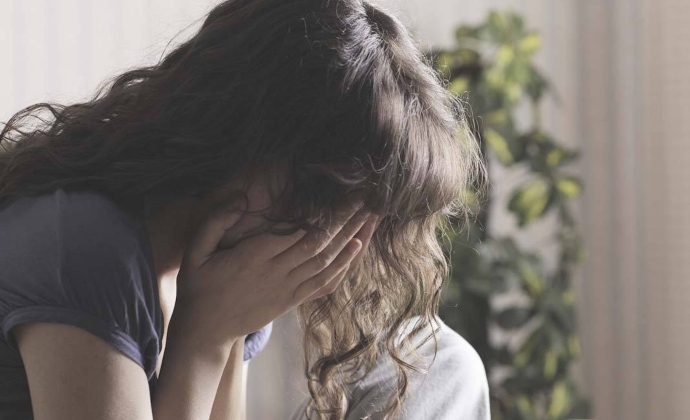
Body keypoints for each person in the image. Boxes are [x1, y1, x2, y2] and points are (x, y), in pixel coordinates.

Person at [0, 0, 489, 419]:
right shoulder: (87, 241)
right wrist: (204, 337)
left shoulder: (228, 258)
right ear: (245, 136)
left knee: (442, 362)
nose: (336, 239)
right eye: (328, 198)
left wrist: (224, 332)